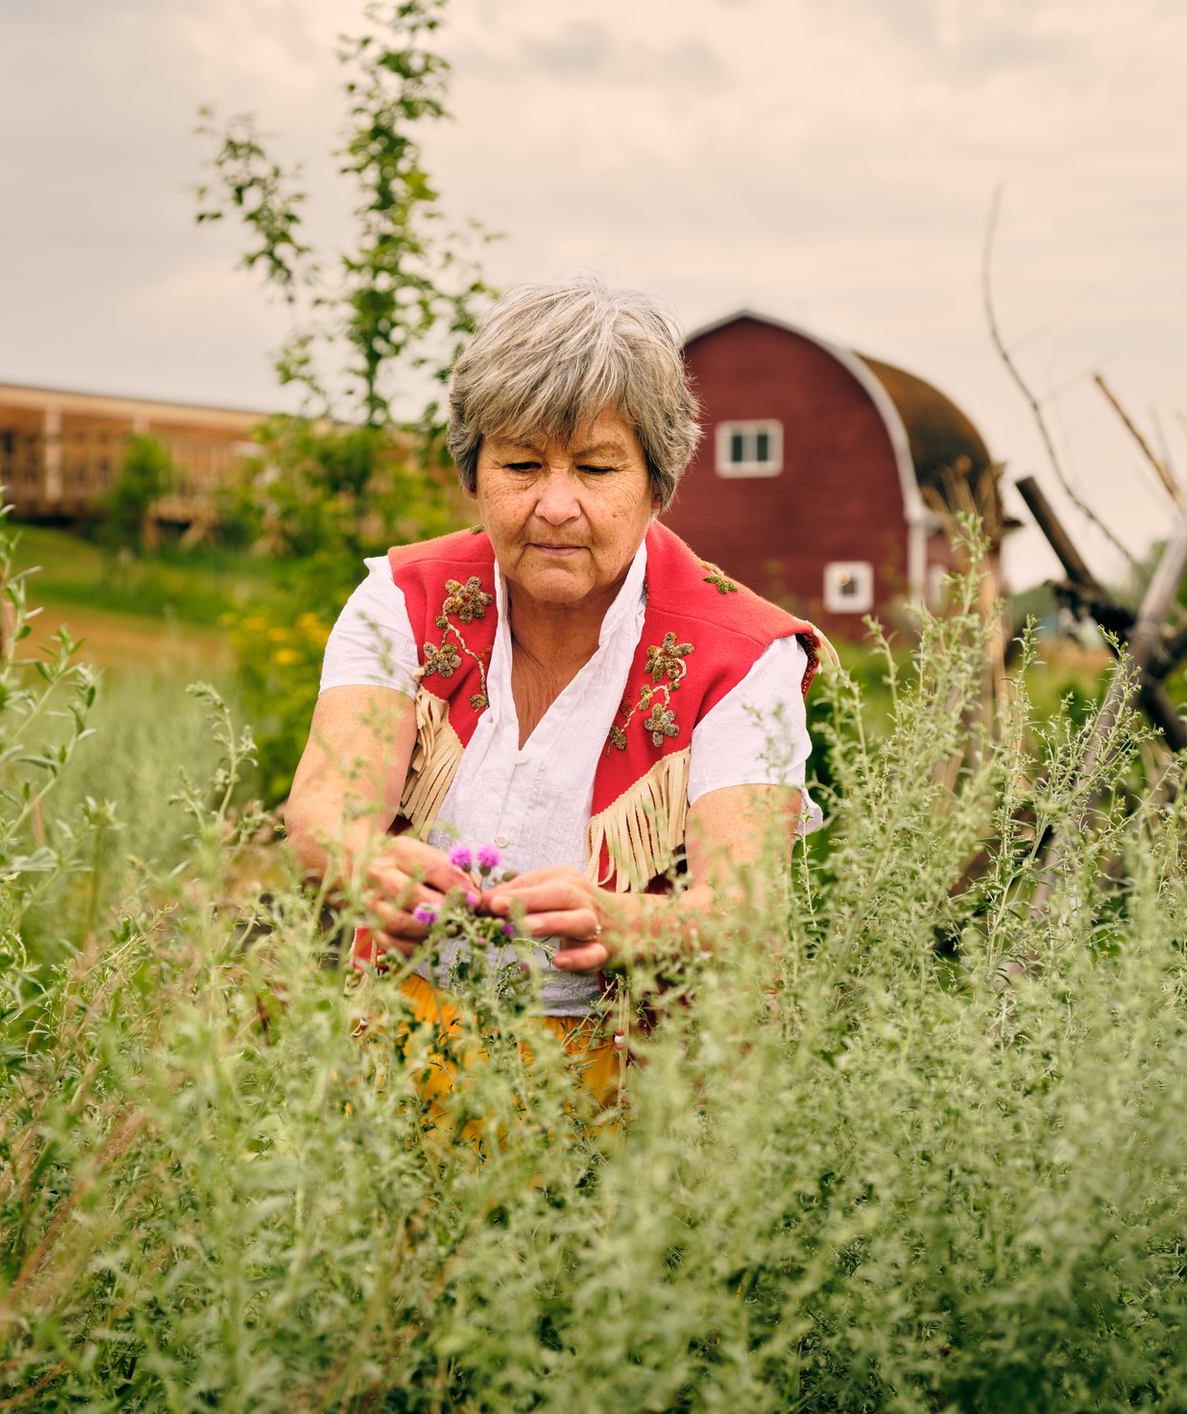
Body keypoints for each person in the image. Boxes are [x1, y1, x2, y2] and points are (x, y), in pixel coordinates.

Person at [284, 275, 826, 1102]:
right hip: (397, 1053)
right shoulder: (402, 600)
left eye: (598, 467)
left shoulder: (744, 659)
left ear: (656, 482)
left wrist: (624, 921)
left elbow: (746, 909)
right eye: (522, 463)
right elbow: (322, 812)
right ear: (475, 474)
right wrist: (365, 864)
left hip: (640, 1091)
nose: (556, 505)